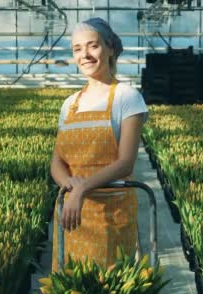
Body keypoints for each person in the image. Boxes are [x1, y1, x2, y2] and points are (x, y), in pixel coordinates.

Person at [50, 17, 149, 271]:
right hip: (73, 215)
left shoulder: (127, 97)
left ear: (110, 48)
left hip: (110, 213)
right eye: (77, 49)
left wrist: (81, 189)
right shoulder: (70, 103)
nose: (85, 55)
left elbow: (125, 163)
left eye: (92, 46)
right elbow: (57, 160)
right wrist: (69, 186)